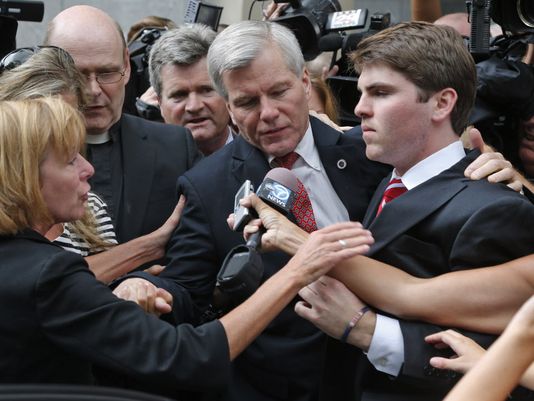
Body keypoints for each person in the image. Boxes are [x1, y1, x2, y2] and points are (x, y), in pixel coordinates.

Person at [0, 96, 370, 394]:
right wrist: (297, 270)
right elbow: (191, 359)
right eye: (70, 160)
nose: (89, 169)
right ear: (24, 178)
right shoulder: (50, 274)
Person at [296, 21, 534, 401]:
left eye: (380, 92)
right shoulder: (389, 172)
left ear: (442, 102)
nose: (359, 109)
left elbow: (501, 367)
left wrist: (364, 330)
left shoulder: (496, 209)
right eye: (361, 92)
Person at [0, 45, 184, 285]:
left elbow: (96, 299)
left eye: (70, 115)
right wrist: (149, 246)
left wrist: (131, 286)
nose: (60, 127)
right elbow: (36, 284)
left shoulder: (89, 208)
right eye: (42, 116)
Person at [44, 5, 201, 245]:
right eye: (77, 75)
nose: (93, 90)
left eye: (107, 73)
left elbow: (196, 247)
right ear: (47, 71)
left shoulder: (176, 147)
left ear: (126, 66)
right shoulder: (20, 159)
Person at [148, 24, 235, 155]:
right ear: (159, 103)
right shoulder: (140, 169)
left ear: (228, 93)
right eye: (179, 95)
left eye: (206, 90)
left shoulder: (267, 161)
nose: (194, 106)